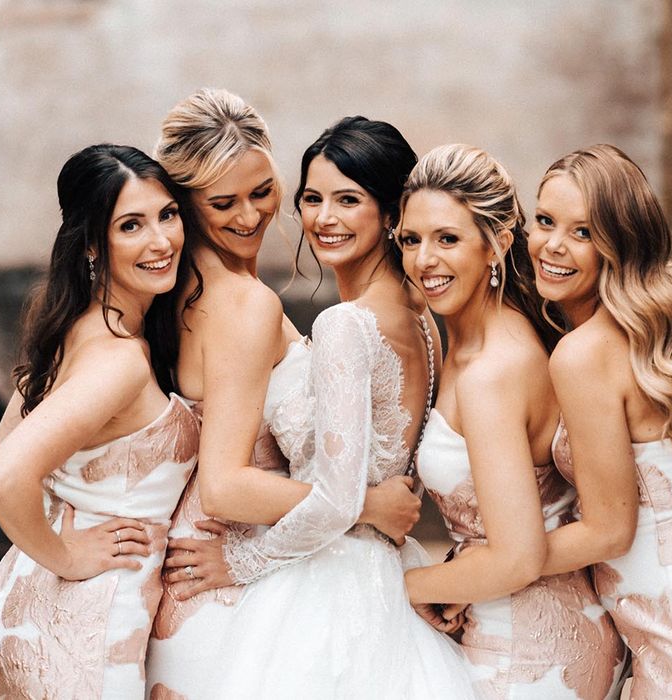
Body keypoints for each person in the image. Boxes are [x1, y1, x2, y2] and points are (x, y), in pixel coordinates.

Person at [144, 92, 422, 700]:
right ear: (184, 203)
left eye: (263, 191)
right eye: (223, 203)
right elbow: (223, 484)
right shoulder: (244, 303)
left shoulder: (179, 287)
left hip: (262, 559)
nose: (251, 216)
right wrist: (365, 505)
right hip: (221, 573)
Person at [191, 115, 478, 699]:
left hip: (324, 581)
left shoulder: (347, 324)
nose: (324, 218)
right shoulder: (420, 317)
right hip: (373, 567)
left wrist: (238, 563)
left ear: (390, 213)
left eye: (348, 200)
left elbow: (334, 498)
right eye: (313, 198)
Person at [528, 144, 672, 697]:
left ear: (620, 241)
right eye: (544, 221)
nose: (552, 246)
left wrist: (499, 562)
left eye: (583, 232)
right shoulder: (661, 326)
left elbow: (609, 530)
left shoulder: (584, 354)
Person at [398, 143, 628, 699]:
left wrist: (402, 585)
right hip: (510, 618)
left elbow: (516, 555)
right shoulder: (463, 343)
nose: (424, 259)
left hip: (530, 647)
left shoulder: (493, 372)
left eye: (447, 239)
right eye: (411, 239)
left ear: (497, 244)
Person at [0, 144, 200, 698]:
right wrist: (67, 553)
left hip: (38, 600)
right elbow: (5, 475)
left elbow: (3, 448)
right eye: (131, 225)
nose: (160, 241)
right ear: (90, 243)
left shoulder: (69, 322)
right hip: (89, 622)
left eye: (167, 214)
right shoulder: (119, 360)